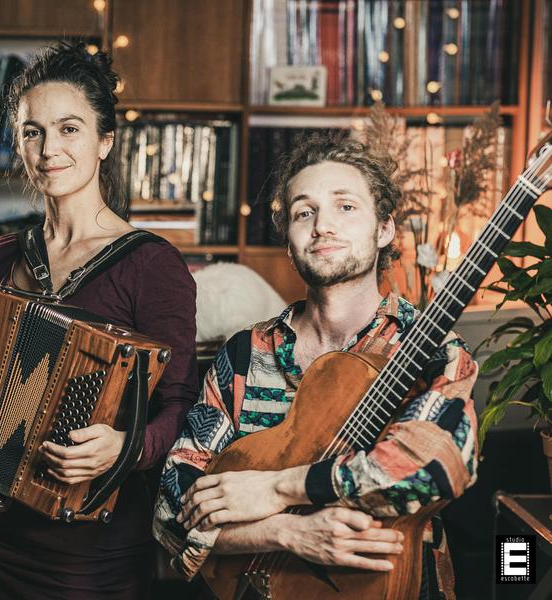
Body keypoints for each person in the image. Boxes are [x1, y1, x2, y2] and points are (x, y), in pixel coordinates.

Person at [153, 135, 479, 598]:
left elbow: (434, 468)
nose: (322, 225)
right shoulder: (246, 353)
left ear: (385, 229)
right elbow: (171, 505)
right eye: (304, 212)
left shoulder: (432, 350)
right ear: (289, 240)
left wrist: (277, 489)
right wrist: (283, 533)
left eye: (346, 207)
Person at [0, 41, 199, 599]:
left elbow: (181, 404)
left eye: (69, 129)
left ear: (104, 141)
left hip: (92, 551)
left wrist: (124, 447)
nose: (48, 150)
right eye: (32, 131)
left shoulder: (151, 264)